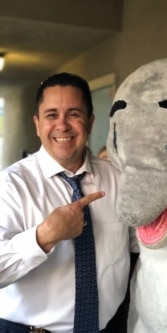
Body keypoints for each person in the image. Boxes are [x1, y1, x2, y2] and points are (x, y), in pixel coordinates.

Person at [0, 73, 138, 333]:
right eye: (51, 115)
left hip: (109, 327)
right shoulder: (9, 185)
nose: (62, 125)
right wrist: (43, 236)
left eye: (73, 114)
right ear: (37, 124)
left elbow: (139, 247)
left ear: (90, 121)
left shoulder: (118, 179)